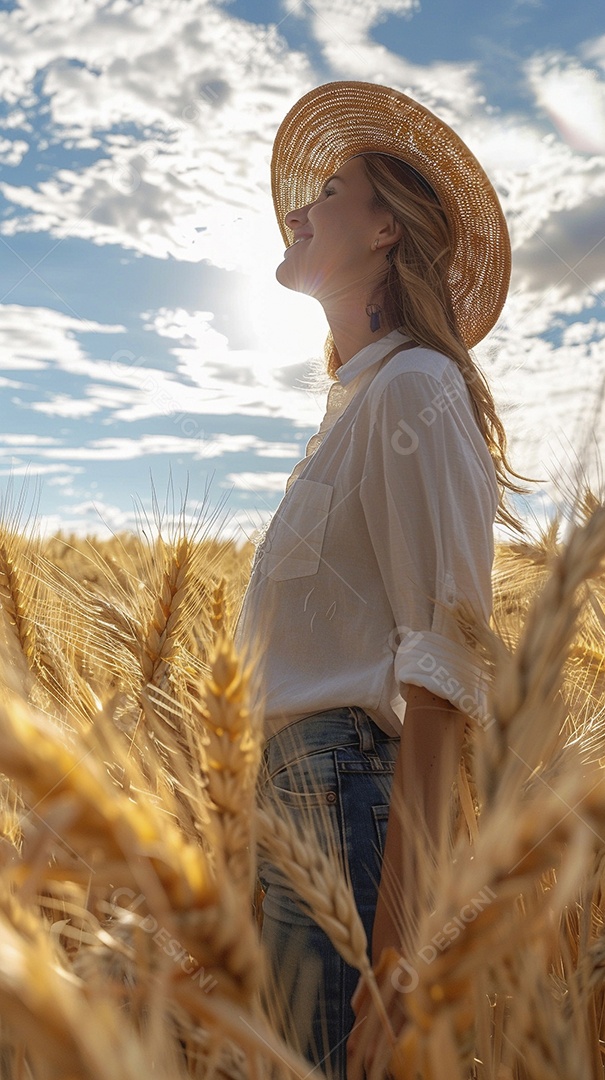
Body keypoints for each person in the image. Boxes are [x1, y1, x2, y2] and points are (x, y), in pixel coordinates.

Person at [235, 81, 522, 1078]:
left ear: (386, 230)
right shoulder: (354, 409)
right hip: (301, 808)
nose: (296, 209)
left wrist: (397, 957)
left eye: (328, 187)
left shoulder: (413, 388)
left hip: (352, 807)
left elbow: (442, 672)